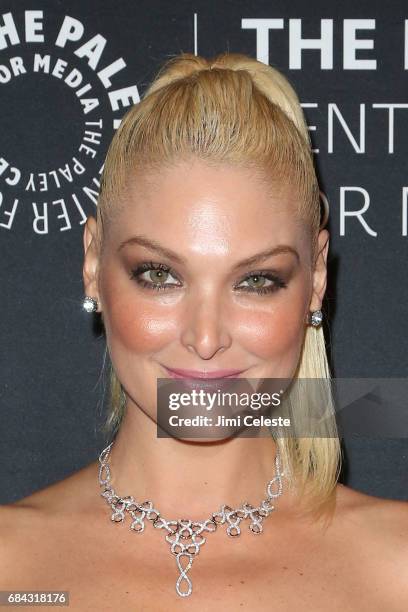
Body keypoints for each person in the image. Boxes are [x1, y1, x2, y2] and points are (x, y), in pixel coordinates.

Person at [1, 51, 407, 610]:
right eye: (160, 275)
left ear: (315, 278)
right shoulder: (11, 566)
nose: (207, 336)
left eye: (257, 280)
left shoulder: (397, 568)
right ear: (93, 262)